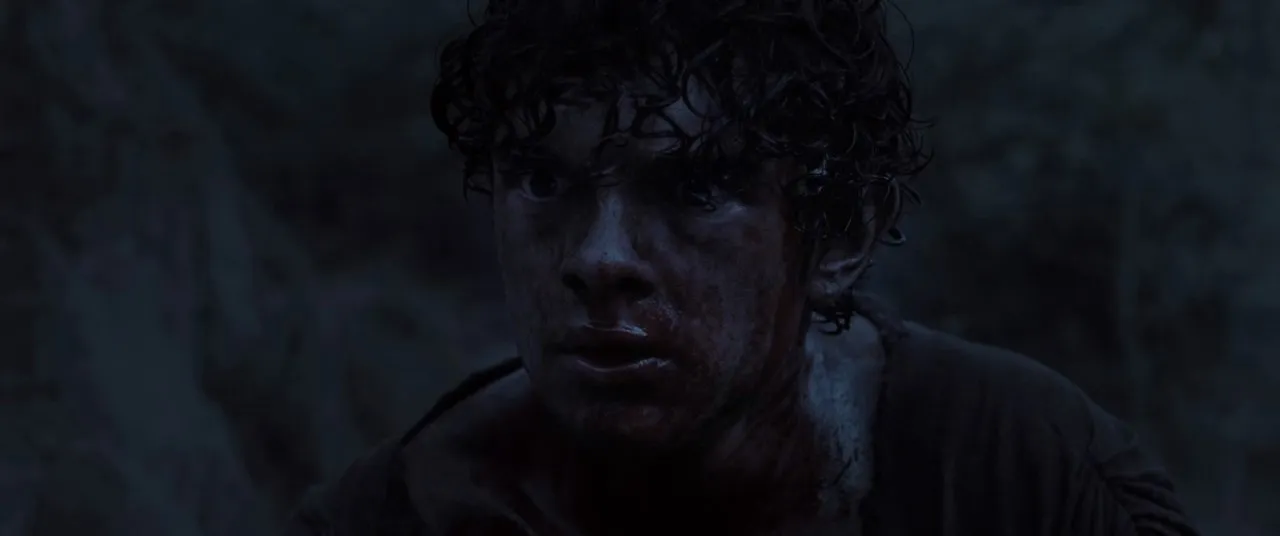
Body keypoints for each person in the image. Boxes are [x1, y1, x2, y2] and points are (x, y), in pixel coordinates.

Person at [287, 0, 1200, 534]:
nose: (600, 258)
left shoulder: (1019, 471)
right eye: (543, 181)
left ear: (837, 238)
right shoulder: (400, 516)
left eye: (695, 189)